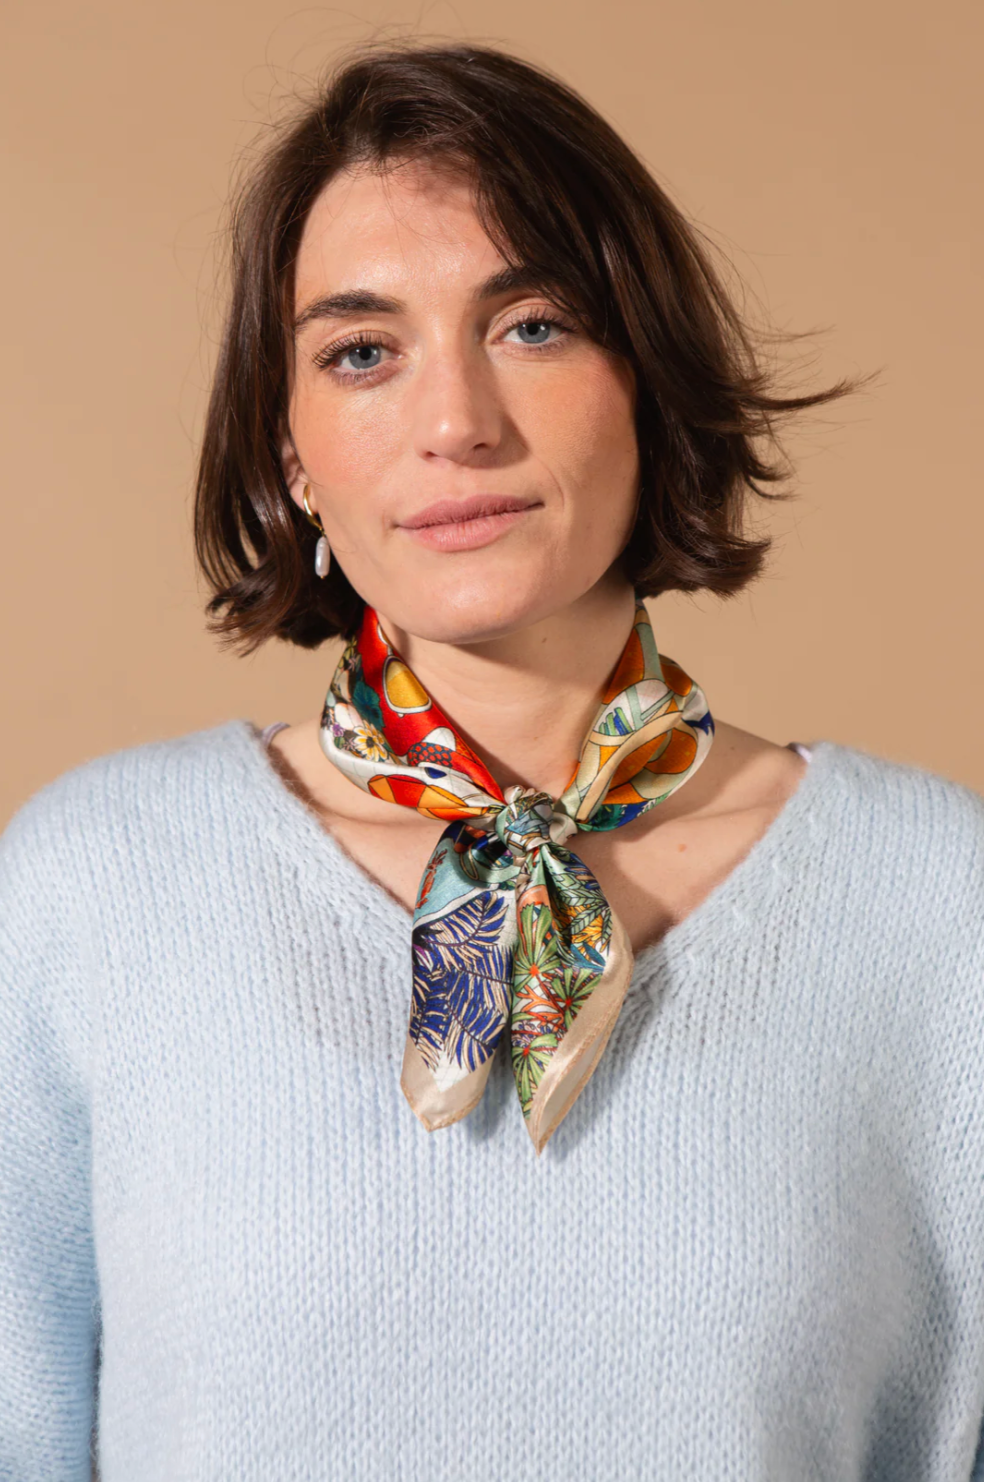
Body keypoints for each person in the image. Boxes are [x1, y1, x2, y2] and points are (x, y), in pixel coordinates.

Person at [2, 39, 983, 1482]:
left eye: (532, 325)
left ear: (646, 377)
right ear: (291, 450)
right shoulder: (89, 891)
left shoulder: (938, 903)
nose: (456, 423)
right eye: (361, 352)